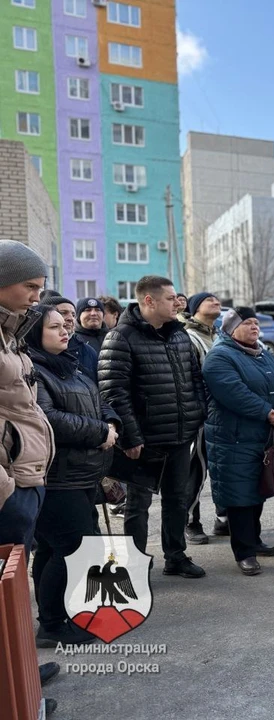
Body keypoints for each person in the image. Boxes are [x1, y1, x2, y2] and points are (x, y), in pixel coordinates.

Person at [99, 275, 207, 578]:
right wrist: (130, 437)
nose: (177, 303)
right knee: (138, 505)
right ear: (149, 300)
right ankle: (133, 565)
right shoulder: (121, 337)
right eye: (170, 298)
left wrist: (197, 414)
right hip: (143, 440)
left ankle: (176, 556)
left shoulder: (179, 335)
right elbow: (113, 392)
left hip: (179, 434)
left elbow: (195, 379)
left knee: (177, 499)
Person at [26, 306, 120, 645]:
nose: (65, 331)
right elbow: (48, 419)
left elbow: (99, 399)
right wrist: (99, 432)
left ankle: (53, 618)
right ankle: (51, 625)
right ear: (34, 333)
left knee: (55, 549)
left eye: (65, 326)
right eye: (55, 327)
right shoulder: (33, 372)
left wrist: (111, 423)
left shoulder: (70, 366)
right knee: (74, 549)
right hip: (56, 477)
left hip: (81, 474)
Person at [0, 240, 60, 720]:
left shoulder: (9, 332)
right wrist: (7, 488)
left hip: (26, 475)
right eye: (30, 286)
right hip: (9, 484)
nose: (37, 297)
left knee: (14, 593)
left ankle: (19, 667)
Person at [202, 308, 274, 575]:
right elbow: (234, 393)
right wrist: (269, 413)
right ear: (231, 329)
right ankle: (244, 552)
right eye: (248, 323)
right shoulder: (219, 356)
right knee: (239, 495)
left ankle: (254, 539)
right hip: (233, 438)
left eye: (256, 323)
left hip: (262, 435)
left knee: (258, 490)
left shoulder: (262, 352)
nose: (255, 327)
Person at [182, 291, 224, 545]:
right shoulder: (189, 337)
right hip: (199, 413)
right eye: (210, 300)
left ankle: (224, 518)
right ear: (196, 308)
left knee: (222, 468)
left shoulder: (220, 335)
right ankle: (190, 521)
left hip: (222, 413)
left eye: (218, 300)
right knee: (195, 469)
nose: (216, 302)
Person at [40, 294, 97, 382]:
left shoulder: (87, 352)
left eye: (73, 315)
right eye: (63, 313)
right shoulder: (32, 353)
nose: (70, 318)